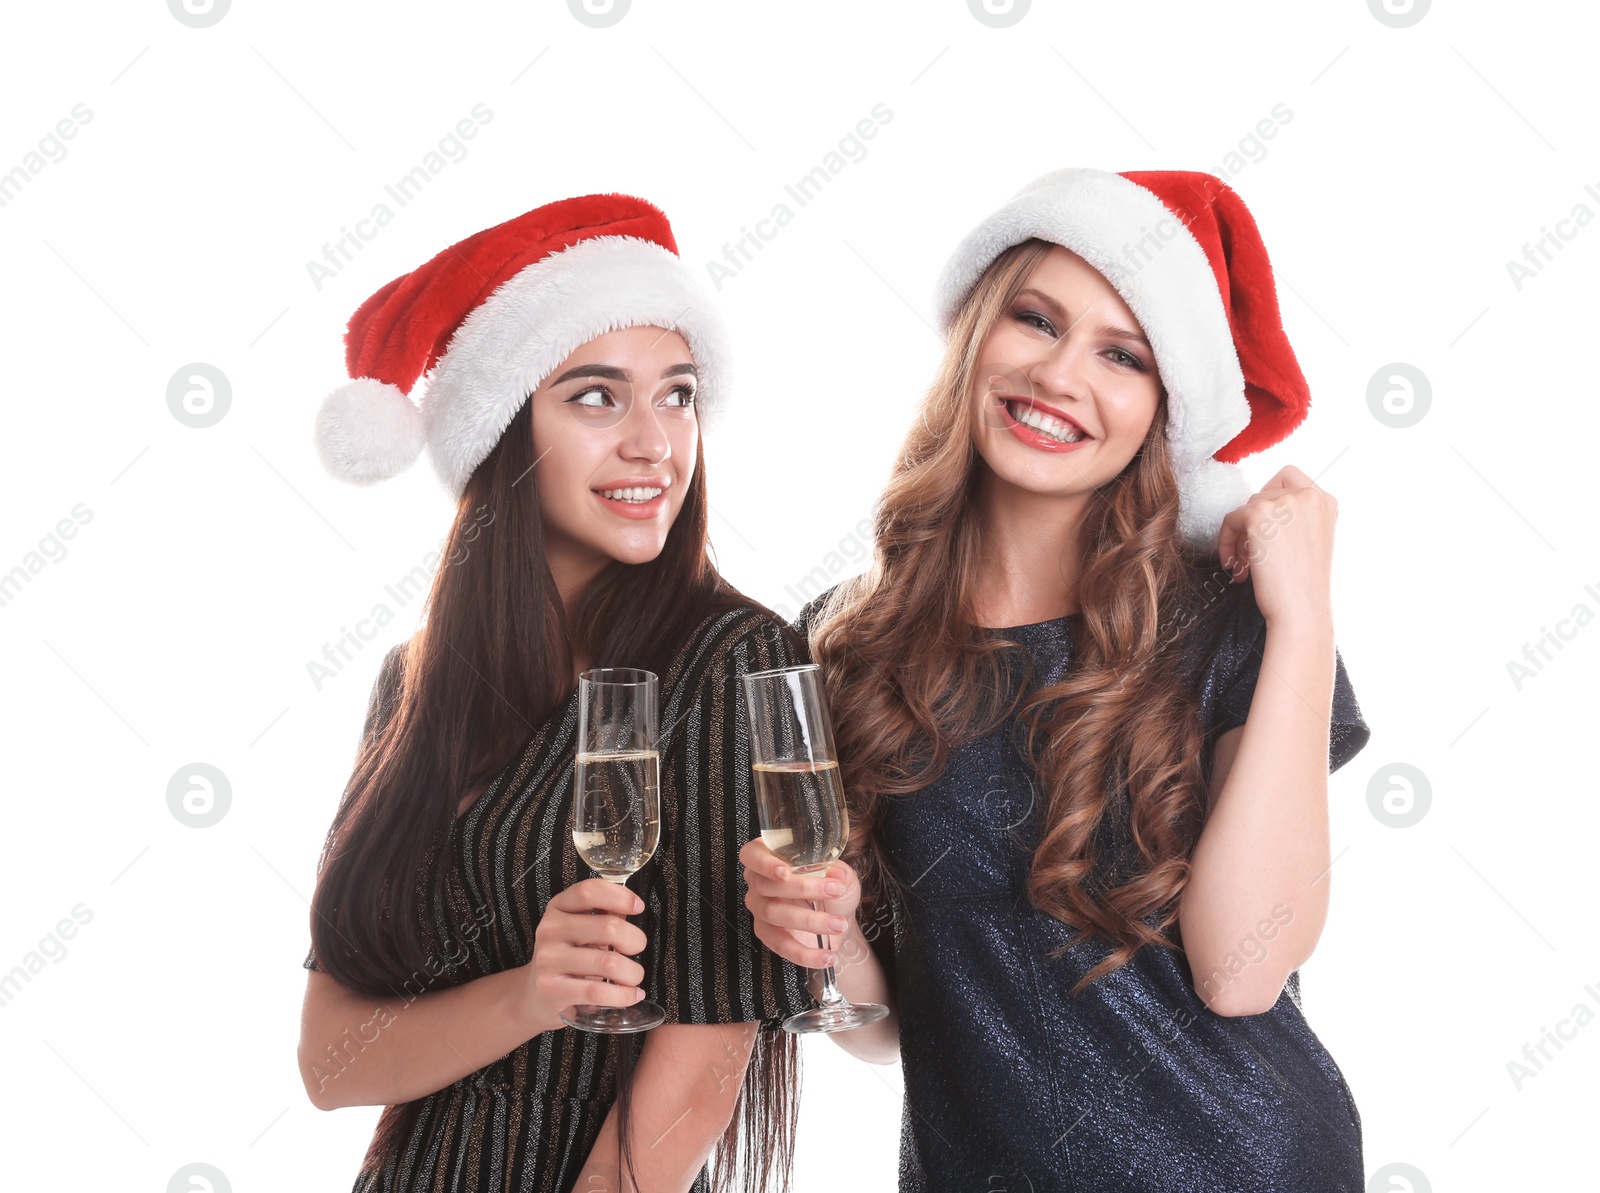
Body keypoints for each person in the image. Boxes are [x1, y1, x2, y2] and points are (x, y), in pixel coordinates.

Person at [740, 168, 1373, 1191]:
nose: (1059, 374)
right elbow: (895, 1021)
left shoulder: (1227, 623)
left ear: (1163, 407)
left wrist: (1301, 618)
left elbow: (1241, 968)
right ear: (975, 333)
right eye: (1037, 320)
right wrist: (818, 934)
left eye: (1121, 355)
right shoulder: (844, 638)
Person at [298, 194, 816, 1193]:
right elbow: (330, 1059)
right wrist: (529, 993)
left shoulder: (733, 656)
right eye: (594, 396)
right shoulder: (414, 683)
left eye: (677, 394)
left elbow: (709, 1048)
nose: (654, 443)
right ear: (502, 429)